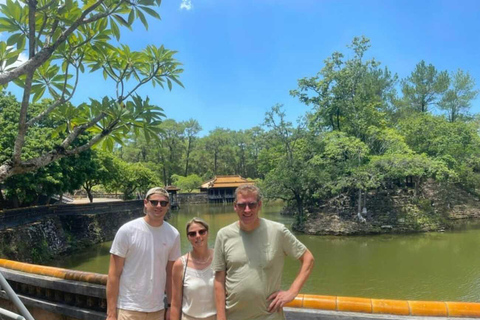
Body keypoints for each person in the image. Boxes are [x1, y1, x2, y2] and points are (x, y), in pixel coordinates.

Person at [212, 184, 314, 320]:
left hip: (269, 315)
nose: (247, 210)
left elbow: (308, 259)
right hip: (234, 316)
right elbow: (219, 280)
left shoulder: (278, 231)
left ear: (259, 205)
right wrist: (221, 317)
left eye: (252, 205)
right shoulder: (224, 235)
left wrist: (292, 291)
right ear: (235, 206)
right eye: (242, 205)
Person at [106, 187, 181, 320]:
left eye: (163, 203)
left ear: (168, 206)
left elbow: (170, 274)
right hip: (129, 308)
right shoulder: (127, 231)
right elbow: (113, 275)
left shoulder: (173, 234)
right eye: (154, 202)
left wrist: (170, 306)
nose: (159, 206)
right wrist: (111, 313)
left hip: (157, 309)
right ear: (146, 203)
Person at [171, 218, 216, 320]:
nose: (198, 236)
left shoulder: (219, 258)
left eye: (202, 232)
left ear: (208, 233)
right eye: (192, 234)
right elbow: (175, 303)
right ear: (188, 238)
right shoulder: (180, 264)